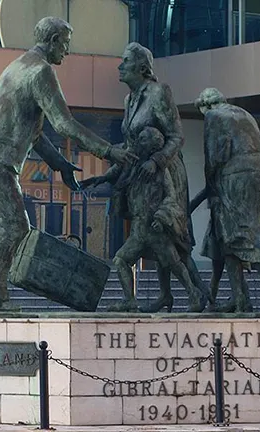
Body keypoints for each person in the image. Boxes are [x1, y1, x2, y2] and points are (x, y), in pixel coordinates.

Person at [0, 16, 135, 313]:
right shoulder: (41, 71)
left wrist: (60, 164)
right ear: (52, 42)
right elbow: (64, 124)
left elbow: (33, 132)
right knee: (14, 226)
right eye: (65, 44)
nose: (66, 51)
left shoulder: (17, 66)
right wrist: (109, 151)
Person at [83, 42, 207, 313]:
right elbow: (131, 147)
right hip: (139, 174)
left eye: (125, 61)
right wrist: (103, 178)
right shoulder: (129, 100)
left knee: (173, 239)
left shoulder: (159, 92)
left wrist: (157, 160)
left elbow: (176, 136)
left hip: (165, 171)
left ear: (141, 67)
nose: (119, 66)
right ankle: (173, 295)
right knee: (159, 242)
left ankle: (198, 293)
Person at [90, 127, 206, 312]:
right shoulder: (133, 164)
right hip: (138, 228)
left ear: (152, 147)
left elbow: (170, 196)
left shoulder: (160, 170)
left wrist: (161, 218)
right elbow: (119, 167)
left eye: (143, 140)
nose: (138, 142)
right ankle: (130, 300)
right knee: (121, 260)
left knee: (174, 263)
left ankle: (194, 294)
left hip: (155, 228)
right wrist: (101, 178)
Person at [190, 88, 260, 312]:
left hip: (237, 174)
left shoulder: (213, 116)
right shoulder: (243, 113)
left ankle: (252, 295)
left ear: (205, 106)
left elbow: (214, 155)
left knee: (234, 236)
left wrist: (210, 185)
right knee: (256, 231)